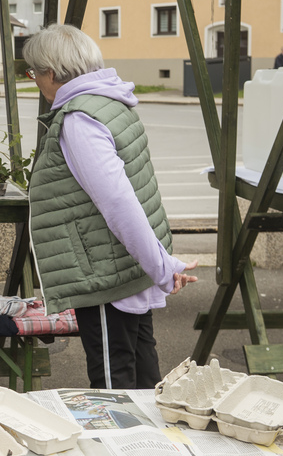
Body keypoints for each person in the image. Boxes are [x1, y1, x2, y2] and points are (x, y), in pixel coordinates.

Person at [24, 24, 198, 390]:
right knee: (143, 373)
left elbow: (118, 202)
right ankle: (154, 430)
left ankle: (122, 432)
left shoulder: (79, 119)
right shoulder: (111, 102)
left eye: (33, 73)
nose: (35, 80)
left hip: (105, 270)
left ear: (50, 73)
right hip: (127, 265)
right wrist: (159, 263)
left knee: (112, 383)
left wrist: (162, 268)